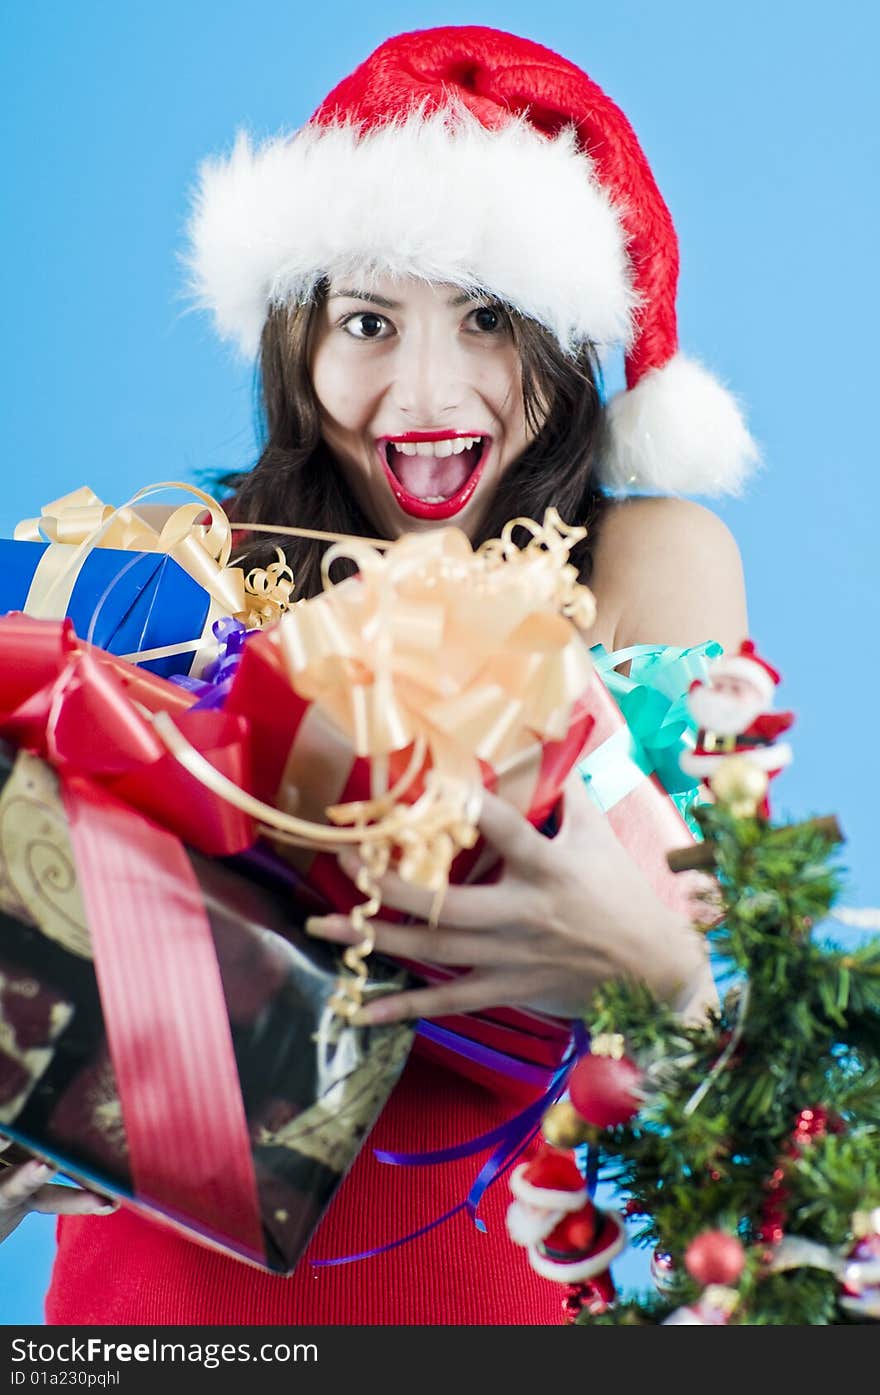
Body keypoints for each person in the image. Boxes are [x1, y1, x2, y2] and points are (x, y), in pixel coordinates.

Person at [2, 26, 753, 1324]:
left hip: (484, 1302)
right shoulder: (182, 571)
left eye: (486, 318)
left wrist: (660, 977)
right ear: (297, 345)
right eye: (367, 321)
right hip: (159, 1315)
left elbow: (754, 1081)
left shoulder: (652, 568)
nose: (425, 391)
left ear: (569, 346)